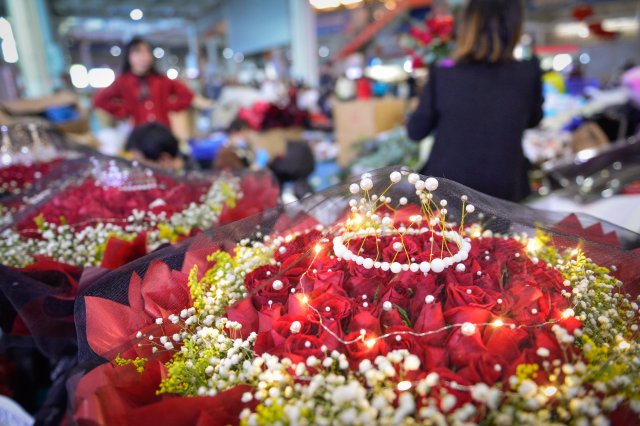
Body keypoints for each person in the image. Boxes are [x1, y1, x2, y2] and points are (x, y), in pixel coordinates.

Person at [407, 0, 543, 202]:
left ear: (468, 25)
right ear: (515, 25)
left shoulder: (443, 74)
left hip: (445, 191)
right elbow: (533, 119)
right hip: (504, 192)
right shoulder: (528, 72)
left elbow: (416, 131)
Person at [93, 37, 194, 129]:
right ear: (128, 56)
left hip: (163, 130)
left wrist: (167, 106)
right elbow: (99, 100)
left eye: (147, 52)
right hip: (138, 133)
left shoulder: (162, 80)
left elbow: (187, 95)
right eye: (138, 52)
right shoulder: (122, 81)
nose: (144, 56)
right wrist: (125, 111)